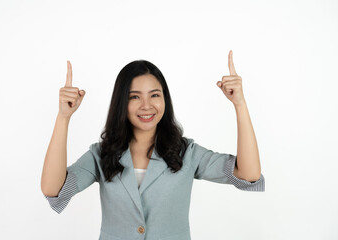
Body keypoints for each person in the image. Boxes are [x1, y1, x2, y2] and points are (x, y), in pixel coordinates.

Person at [41, 50, 265, 240]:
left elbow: (249, 173)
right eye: (134, 97)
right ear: (122, 103)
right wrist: (63, 117)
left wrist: (239, 104)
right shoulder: (101, 154)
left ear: (164, 100)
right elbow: (52, 189)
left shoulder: (187, 153)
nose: (146, 106)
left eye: (154, 95)